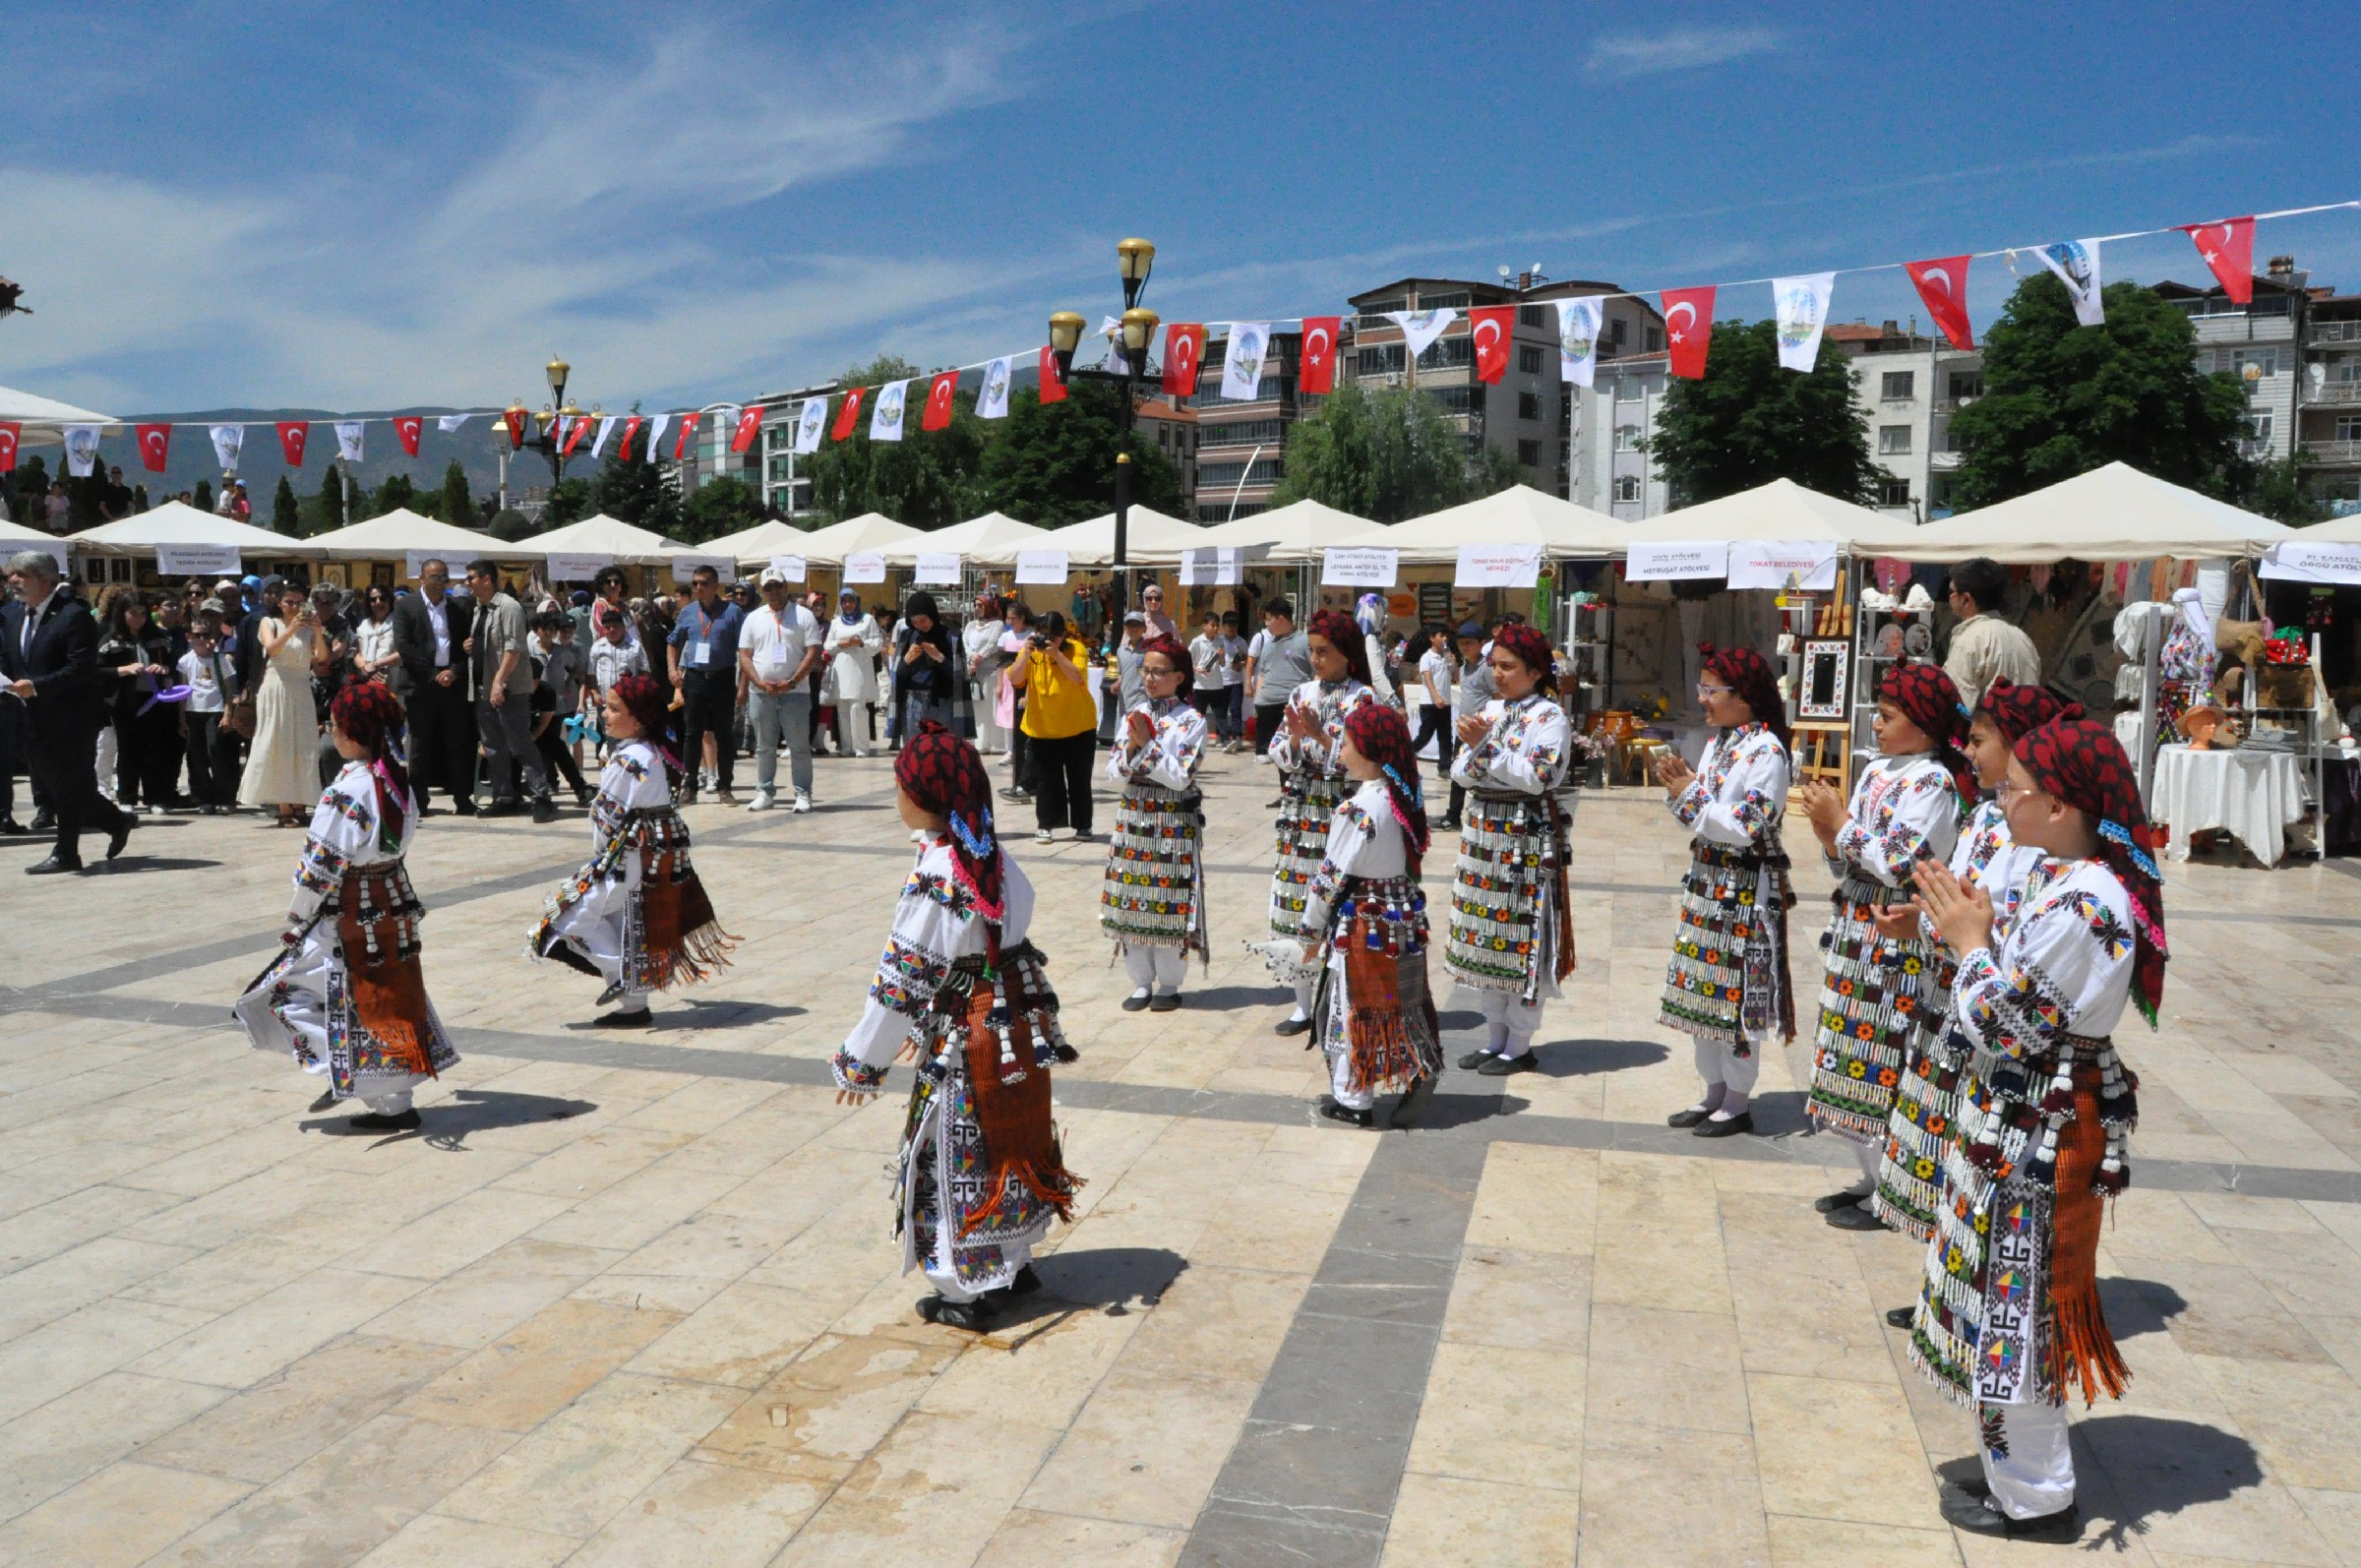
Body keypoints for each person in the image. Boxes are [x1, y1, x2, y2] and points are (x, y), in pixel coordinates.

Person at [1908, 717, 2155, 1540]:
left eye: (2019, 787)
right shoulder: (2068, 877)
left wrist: (1970, 941)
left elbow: (2005, 1023)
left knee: (2020, 1306)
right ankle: (2014, 1474)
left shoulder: (2090, 901)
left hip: (2039, 1126)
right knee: (2002, 1296)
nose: (2004, 794)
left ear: (2061, 807)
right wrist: (1977, 932)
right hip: (2019, 1118)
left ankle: (2039, 1498)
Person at [830, 722, 1081, 1333]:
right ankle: (1011, 1263)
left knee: (952, 1151)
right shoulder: (993, 859)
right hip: (1010, 1026)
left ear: (923, 796)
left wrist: (862, 1059)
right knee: (1010, 1139)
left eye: (901, 783)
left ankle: (962, 1291)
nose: (896, 793)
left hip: (965, 1037)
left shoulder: (939, 876)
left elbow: (901, 981)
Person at [1867, 679, 2075, 1250]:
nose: (1967, 750)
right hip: (1951, 995)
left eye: (1980, 740)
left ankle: (1961, 1277)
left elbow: (2002, 926)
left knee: (1968, 1151)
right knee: (1936, 1133)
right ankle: (1941, 1274)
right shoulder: (1986, 816)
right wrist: (1927, 919)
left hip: (1986, 1009)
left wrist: (1948, 927)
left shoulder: (2037, 840)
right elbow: (1966, 905)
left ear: (2022, 746)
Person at [232, 683, 457, 1133]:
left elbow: (321, 864)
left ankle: (347, 1068)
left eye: (335, 725)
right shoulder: (397, 784)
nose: (331, 731)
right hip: (390, 905)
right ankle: (393, 1102)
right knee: (381, 991)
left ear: (352, 732)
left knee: (281, 994)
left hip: (348, 912)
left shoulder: (348, 791)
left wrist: (299, 916)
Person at [1796, 663, 1974, 1231]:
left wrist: (1841, 825)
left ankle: (1891, 1189)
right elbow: (1854, 854)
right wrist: (1831, 838)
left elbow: (1902, 860)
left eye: (1889, 715)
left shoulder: (1932, 782)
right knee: (1851, 1050)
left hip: (1897, 930)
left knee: (1886, 1054)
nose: (1876, 723)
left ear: (1922, 727)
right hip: (1856, 922)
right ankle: (1871, 1177)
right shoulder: (1876, 772)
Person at [531, 672, 736, 1027]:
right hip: (653, 852)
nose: (605, 714)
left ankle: (624, 973)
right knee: (620, 920)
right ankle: (633, 1006)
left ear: (638, 717)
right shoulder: (655, 751)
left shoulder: (630, 760)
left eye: (613, 709)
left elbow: (605, 818)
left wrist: (601, 851)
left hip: (630, 854)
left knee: (570, 917)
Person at [1656, 645, 1794, 1137]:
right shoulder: (1720, 743)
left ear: (1745, 697)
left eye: (1712, 691)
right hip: (1707, 882)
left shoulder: (1768, 752)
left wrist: (1691, 794)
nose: (1704, 699)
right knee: (1703, 993)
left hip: (1743, 890)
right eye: (1703, 689)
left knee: (1737, 995)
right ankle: (1712, 1091)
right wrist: (1682, 793)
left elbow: (1748, 824)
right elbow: (1698, 815)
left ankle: (1738, 1099)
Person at [1290, 702, 1442, 1130]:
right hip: (1401, 913)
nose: (1340, 752)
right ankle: (1417, 1065)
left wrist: (1310, 930)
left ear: (1370, 750)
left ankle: (1352, 1099)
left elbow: (1329, 878)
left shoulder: (1357, 810)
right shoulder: (1401, 797)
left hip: (1362, 918)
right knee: (1398, 999)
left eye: (1349, 743)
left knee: (1349, 1005)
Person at [1444, 623, 1574, 1074]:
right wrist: (1483, 754)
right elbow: (1461, 772)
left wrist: (1488, 752)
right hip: (1484, 837)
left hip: (1524, 840)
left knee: (1522, 941)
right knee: (1487, 942)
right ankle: (1494, 1039)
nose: (1497, 674)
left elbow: (1538, 776)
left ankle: (1519, 1044)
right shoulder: (1495, 710)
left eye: (1508, 666)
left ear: (1536, 672)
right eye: (1493, 665)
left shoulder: (1550, 718)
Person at [1263, 608, 1379, 1036]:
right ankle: (1301, 1001)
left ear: (1347, 653)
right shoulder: (1301, 693)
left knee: (1336, 898)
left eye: (1324, 651)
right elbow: (1277, 748)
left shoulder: (1363, 698)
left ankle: (1341, 996)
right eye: (1312, 651)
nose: (1316, 659)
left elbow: (1364, 759)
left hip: (1340, 809)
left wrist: (1322, 739)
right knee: (1296, 897)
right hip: (1300, 810)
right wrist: (1296, 738)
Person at [3, 551, 135, 872]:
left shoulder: (73, 616)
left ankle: (67, 853)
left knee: (67, 786)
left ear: (45, 580)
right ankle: (116, 820)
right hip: (30, 716)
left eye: (21, 575)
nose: (13, 581)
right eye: (11, 575)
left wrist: (38, 686)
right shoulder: (14, 615)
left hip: (72, 719)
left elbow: (82, 668)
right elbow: (12, 660)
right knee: (64, 786)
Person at [1102, 633, 1208, 1011]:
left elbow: (1181, 777)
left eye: (1158, 672)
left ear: (1179, 676)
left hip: (1172, 822)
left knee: (1168, 902)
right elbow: (1113, 773)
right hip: (1133, 817)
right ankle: (1140, 982)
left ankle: (1169, 985)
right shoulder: (1133, 714)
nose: (1149, 678)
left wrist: (1144, 747)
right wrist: (1132, 747)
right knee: (1132, 899)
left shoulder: (1192, 720)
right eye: (1144, 670)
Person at [459, 560, 554, 821]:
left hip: (508, 688)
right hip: (482, 687)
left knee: (520, 744)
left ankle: (542, 797)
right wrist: (471, 646)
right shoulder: (480, 609)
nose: (467, 583)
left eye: (470, 578)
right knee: (493, 746)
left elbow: (513, 649)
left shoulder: (508, 607)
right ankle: (505, 797)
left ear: (486, 579)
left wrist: (499, 682)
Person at [238, 580, 331, 827]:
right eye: (289, 602)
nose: (294, 607)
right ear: (279, 602)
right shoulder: (269, 623)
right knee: (277, 743)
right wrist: (290, 629)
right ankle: (283, 806)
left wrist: (318, 631)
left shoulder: (309, 629)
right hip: (276, 685)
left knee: (302, 744)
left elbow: (321, 659)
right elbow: (272, 648)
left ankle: (301, 802)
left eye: (299, 602)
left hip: (300, 687)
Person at [390, 560, 477, 816]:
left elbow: (464, 647)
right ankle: (419, 801)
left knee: (458, 742)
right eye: (435, 577)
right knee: (420, 746)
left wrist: (453, 672)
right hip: (421, 686)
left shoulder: (457, 608)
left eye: (444, 578)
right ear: (422, 578)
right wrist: (433, 675)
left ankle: (462, 798)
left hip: (452, 685)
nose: (440, 583)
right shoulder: (406, 607)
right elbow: (404, 647)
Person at [1008, 610, 1097, 843]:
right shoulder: (1031, 651)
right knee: (1047, 780)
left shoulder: (1076, 649)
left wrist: (1056, 654)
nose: (1047, 640)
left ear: (1063, 636)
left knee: (1079, 778)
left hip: (1078, 725)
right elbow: (1014, 678)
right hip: (1043, 727)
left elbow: (1078, 677)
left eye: (1053, 637)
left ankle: (1083, 825)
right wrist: (1025, 656)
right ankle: (1046, 824)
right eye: (1042, 635)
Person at [739, 567, 821, 813]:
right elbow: (744, 654)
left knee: (798, 746)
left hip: (795, 692)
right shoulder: (753, 618)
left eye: (778, 585)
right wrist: (756, 681)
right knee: (764, 746)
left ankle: (803, 793)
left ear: (786, 587)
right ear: (762, 591)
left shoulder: (803, 615)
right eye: (768, 587)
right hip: (761, 692)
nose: (773, 591)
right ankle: (765, 791)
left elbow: (813, 651)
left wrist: (792, 681)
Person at [667, 566, 744, 805]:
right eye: (695, 583)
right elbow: (672, 643)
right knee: (692, 733)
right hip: (696, 679)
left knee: (724, 734)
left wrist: (743, 684)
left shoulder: (733, 612)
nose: (699, 587)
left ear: (716, 586)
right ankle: (689, 786)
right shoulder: (688, 612)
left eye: (704, 583)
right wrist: (672, 670)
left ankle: (725, 786)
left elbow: (745, 650)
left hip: (723, 678)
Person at [97, 592, 182, 812]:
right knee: (128, 749)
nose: (138, 619)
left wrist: (164, 669)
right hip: (125, 702)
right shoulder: (111, 639)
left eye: (142, 614)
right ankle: (127, 798)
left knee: (154, 749)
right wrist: (123, 670)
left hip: (154, 701)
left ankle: (155, 798)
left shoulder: (158, 637)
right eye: (133, 614)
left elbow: (174, 663)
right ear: (122, 614)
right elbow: (96, 670)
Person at [1942, 558, 2041, 710]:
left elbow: (1958, 705)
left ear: (1966, 599)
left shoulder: (1969, 640)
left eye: (1952, 591)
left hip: (1986, 731)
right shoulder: (2023, 639)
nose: (1950, 597)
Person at [528, 611, 593, 805]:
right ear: (536, 631)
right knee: (551, 747)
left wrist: (568, 683)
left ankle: (567, 785)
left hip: (557, 705)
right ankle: (564, 785)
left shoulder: (562, 651)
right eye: (544, 630)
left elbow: (576, 669)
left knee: (553, 745)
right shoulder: (530, 650)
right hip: (535, 705)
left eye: (551, 630)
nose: (548, 633)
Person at [1440, 622, 1495, 832]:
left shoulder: (1487, 669)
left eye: (1469, 643)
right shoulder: (1464, 667)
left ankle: (1483, 815)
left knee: (1482, 774)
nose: (1465, 647)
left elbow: (1497, 698)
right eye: (1461, 643)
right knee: (1458, 772)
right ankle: (1453, 815)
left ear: (1482, 643)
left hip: (1481, 731)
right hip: (1463, 730)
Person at [177, 614, 235, 813]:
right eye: (196, 635)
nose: (200, 639)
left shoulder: (220, 660)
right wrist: (182, 718)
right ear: (189, 637)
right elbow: (183, 691)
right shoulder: (185, 661)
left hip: (215, 709)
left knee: (216, 752)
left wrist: (228, 713)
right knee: (196, 756)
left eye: (204, 634)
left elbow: (229, 689)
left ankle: (224, 797)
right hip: (193, 711)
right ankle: (203, 798)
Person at [1245, 599, 1310, 765]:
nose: (1267, 624)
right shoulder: (1268, 645)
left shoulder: (1304, 641)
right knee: (1266, 745)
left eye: (1269, 619)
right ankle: (1262, 750)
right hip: (1266, 702)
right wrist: (1257, 699)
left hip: (1289, 702)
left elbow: (1314, 670)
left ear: (1281, 619)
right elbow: (1262, 674)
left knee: (1288, 748)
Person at [821, 588, 882, 758]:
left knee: (858, 707)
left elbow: (878, 643)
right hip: (842, 671)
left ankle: (861, 747)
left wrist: (861, 643)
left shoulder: (868, 620)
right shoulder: (835, 623)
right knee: (843, 709)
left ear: (857, 602)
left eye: (851, 601)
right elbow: (828, 646)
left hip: (860, 671)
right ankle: (847, 746)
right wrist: (842, 644)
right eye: (844, 601)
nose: (848, 605)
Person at [891, 590, 958, 741]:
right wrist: (907, 661)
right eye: (915, 622)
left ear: (932, 615)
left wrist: (939, 657)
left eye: (923, 620)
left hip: (941, 702)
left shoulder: (950, 635)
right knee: (915, 749)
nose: (920, 626)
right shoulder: (907, 636)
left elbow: (957, 675)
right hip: (913, 701)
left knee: (941, 748)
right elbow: (898, 676)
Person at [584, 605, 649, 759]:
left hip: (628, 702)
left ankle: (630, 767)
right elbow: (590, 673)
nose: (612, 630)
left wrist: (639, 695)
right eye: (608, 627)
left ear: (623, 627)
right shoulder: (597, 647)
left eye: (615, 626)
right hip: (606, 702)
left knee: (629, 736)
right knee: (610, 736)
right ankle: (613, 769)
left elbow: (645, 672)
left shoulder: (635, 646)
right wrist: (594, 693)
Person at [964, 594, 1010, 754]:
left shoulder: (997, 624)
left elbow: (993, 644)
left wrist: (979, 658)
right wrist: (971, 657)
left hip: (990, 670)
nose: (977, 608)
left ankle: (992, 743)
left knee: (990, 706)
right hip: (974, 671)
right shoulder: (970, 625)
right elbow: (964, 643)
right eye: (976, 605)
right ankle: (977, 742)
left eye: (981, 605)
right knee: (977, 706)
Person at [1410, 626, 1456, 784]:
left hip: (1446, 702)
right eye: (1440, 635)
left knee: (1445, 736)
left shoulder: (1446, 656)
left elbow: (1454, 675)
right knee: (1425, 734)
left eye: (1445, 636)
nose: (1444, 639)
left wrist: (1453, 663)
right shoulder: (1427, 657)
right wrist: (1436, 697)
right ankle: (1407, 753)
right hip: (1430, 703)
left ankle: (1444, 767)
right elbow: (1427, 679)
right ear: (1432, 638)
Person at [998, 601, 1034, 796]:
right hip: (1010, 680)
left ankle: (1020, 753)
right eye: (1008, 618)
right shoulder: (1005, 635)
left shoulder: (1030, 636)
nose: (1010, 621)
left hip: (1025, 683)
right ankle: (1010, 749)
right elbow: (1001, 664)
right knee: (1008, 717)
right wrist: (1000, 683)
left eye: (1014, 618)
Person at [1187, 611, 1232, 748]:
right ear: (1204, 626)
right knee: (1199, 714)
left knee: (1220, 714)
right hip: (1200, 685)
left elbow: (1223, 664)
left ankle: (1224, 739)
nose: (1215, 628)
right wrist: (1199, 670)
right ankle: (1194, 739)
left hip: (1216, 684)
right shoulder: (1197, 642)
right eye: (1212, 625)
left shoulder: (1220, 641)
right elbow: (1188, 661)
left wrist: (1222, 656)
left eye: (1217, 626)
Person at [349, 587, 400, 684]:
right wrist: (366, 668)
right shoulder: (364, 625)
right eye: (373, 600)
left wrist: (375, 665)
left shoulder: (399, 624)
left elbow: (402, 652)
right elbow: (357, 654)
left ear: (390, 600)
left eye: (383, 598)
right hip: (365, 677)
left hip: (389, 678)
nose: (378, 602)